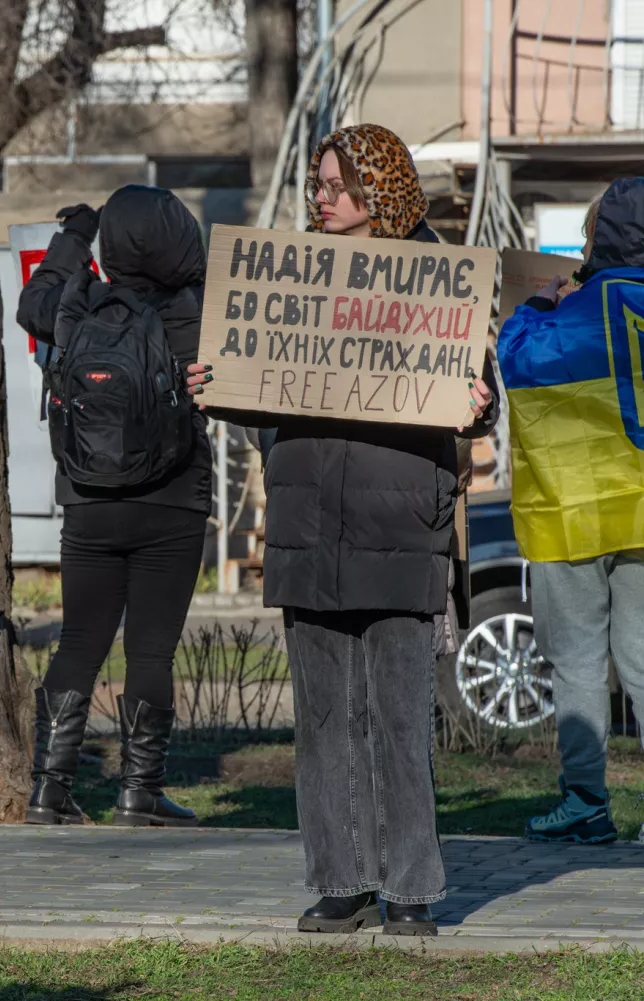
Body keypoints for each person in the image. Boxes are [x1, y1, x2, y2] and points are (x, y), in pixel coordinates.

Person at [206, 124, 499, 937]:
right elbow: (263, 384)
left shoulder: (441, 282)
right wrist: (217, 384)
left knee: (400, 722)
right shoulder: (288, 283)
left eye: (335, 186)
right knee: (325, 720)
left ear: (379, 190)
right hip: (309, 526)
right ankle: (342, 879)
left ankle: (409, 887)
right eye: (316, 186)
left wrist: (478, 401)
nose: (321, 200)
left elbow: (482, 390)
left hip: (400, 526)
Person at [15, 185, 210, 828]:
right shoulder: (196, 313)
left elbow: (31, 303)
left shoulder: (75, 304)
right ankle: (139, 792)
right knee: (151, 653)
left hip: (87, 499)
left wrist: (76, 234)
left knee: (78, 642)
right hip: (173, 500)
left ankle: (49, 790)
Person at [498, 178, 644, 844]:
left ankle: (586, 801)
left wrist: (534, 304)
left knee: (579, 664)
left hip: (572, 512)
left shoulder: (570, 309)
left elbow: (516, 360)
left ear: (601, 234)